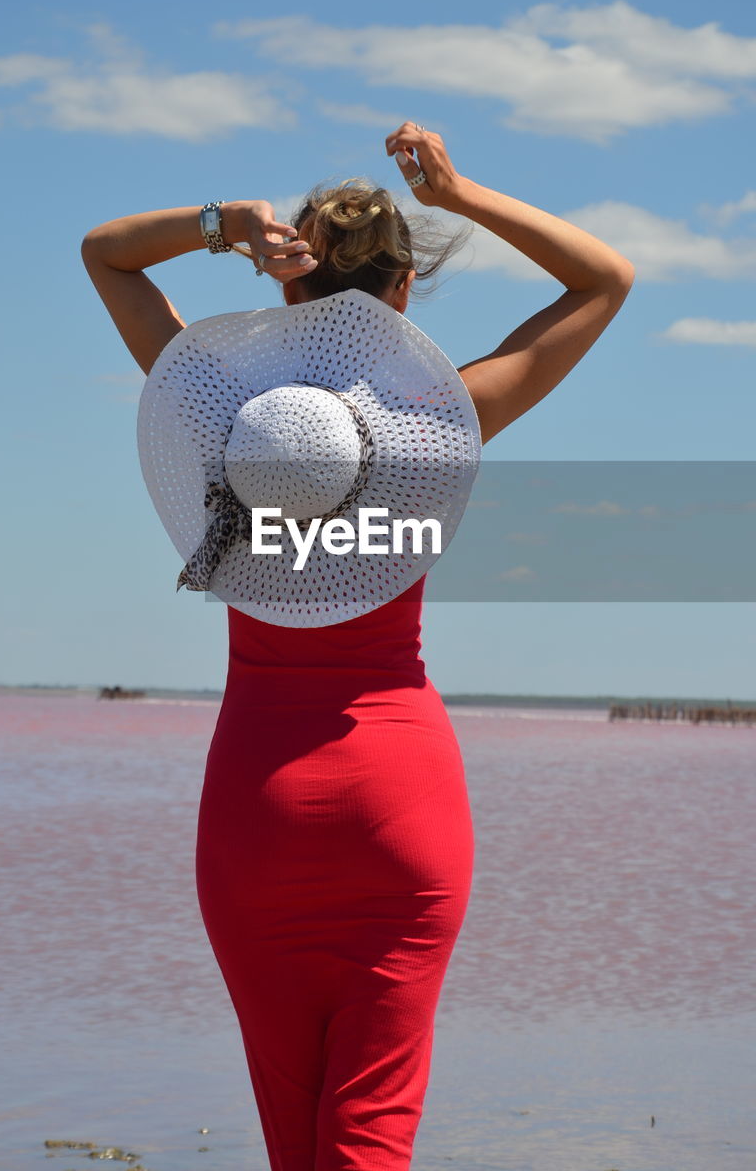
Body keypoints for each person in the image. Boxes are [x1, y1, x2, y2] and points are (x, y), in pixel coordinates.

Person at [81, 122, 634, 1170]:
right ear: (404, 296)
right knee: (369, 1135)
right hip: (400, 801)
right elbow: (603, 280)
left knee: (295, 1143)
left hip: (253, 805)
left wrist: (225, 225)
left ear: (286, 299)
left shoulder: (223, 415)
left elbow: (104, 251)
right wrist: (460, 194)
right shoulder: (442, 417)